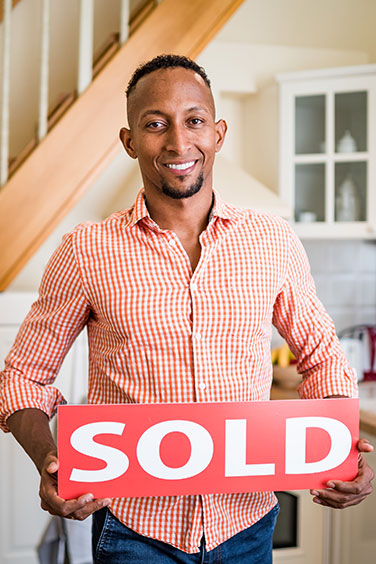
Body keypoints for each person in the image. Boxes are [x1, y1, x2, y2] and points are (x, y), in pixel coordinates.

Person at [0, 54, 374, 564]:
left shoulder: (272, 241)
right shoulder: (86, 250)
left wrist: (341, 448)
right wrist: (50, 457)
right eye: (156, 124)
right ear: (129, 141)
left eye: (194, 120)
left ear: (218, 133)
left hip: (245, 523)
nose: (178, 142)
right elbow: (23, 378)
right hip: (133, 529)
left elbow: (323, 354)